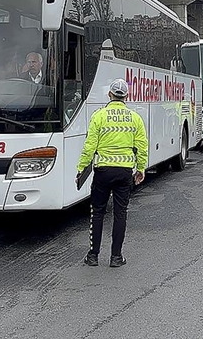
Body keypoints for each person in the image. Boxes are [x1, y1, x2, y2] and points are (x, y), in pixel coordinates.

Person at [76, 79, 148, 268]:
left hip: (103, 171)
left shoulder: (99, 116)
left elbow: (89, 146)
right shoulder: (135, 118)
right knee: (120, 213)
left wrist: (81, 169)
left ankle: (93, 256)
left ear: (109, 95)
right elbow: (142, 146)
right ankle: (116, 257)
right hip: (124, 172)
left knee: (97, 212)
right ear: (126, 96)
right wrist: (141, 168)